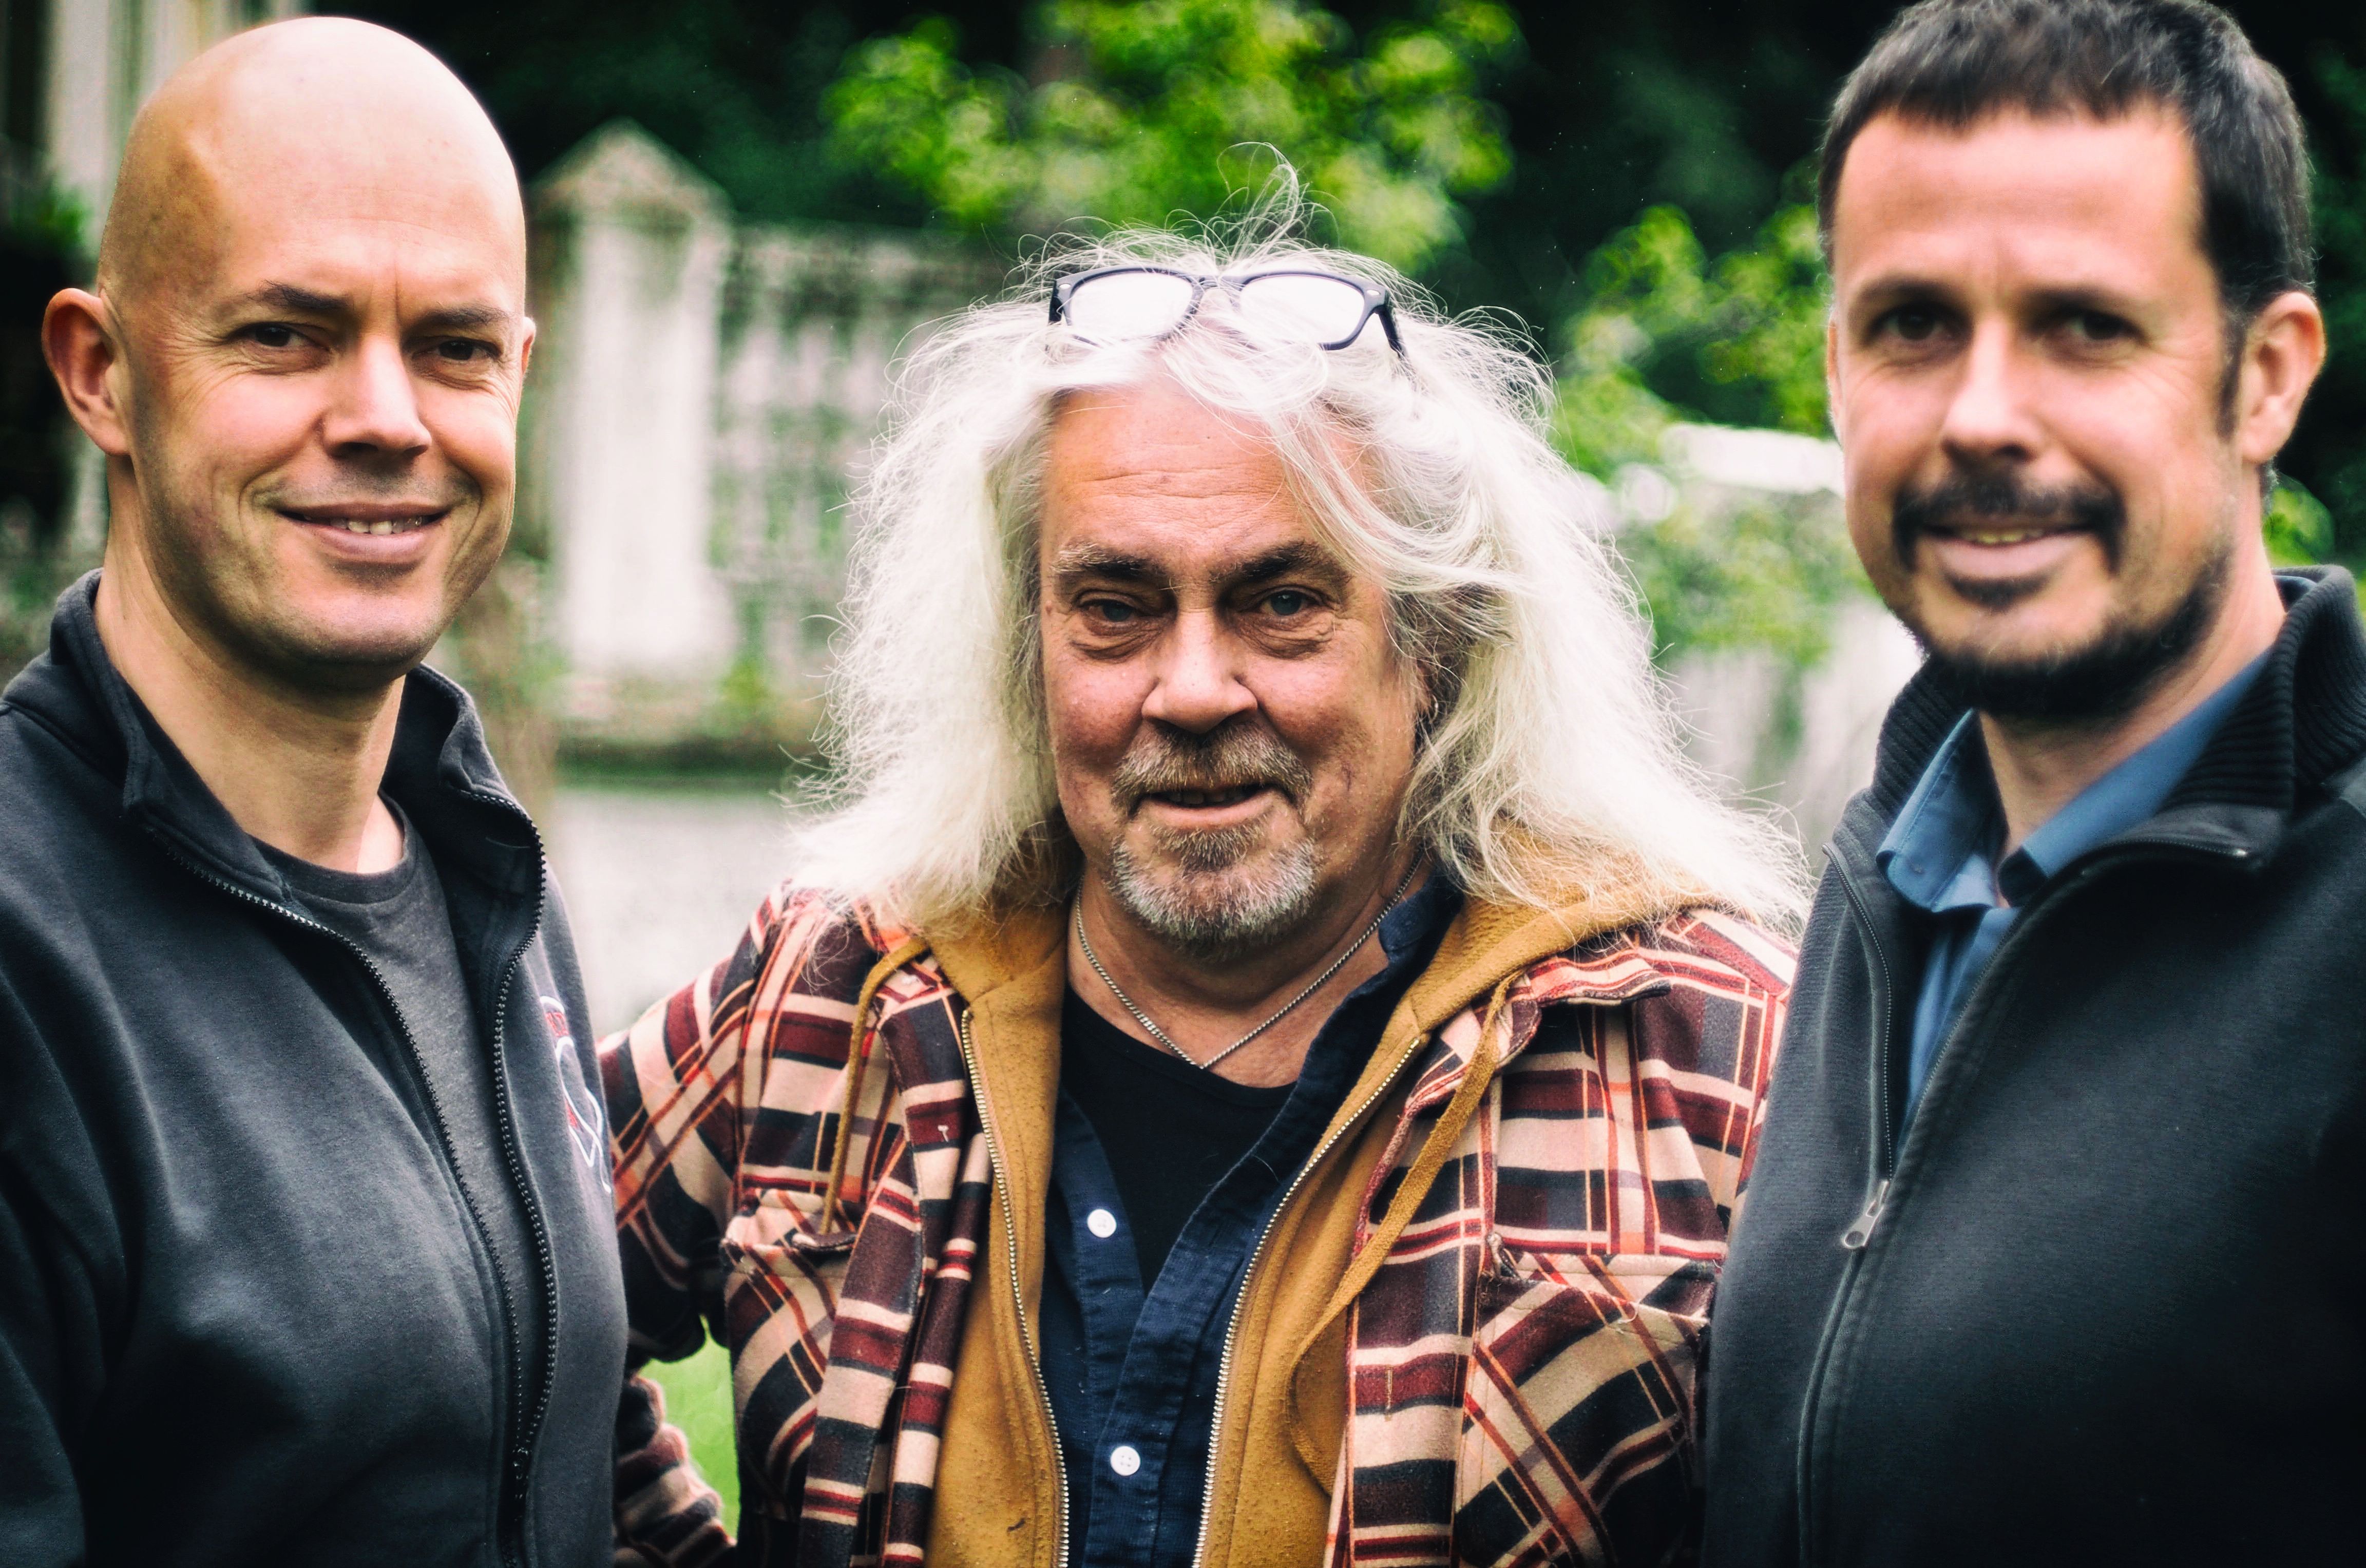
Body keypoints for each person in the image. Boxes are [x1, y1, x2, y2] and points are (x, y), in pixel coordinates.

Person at [602, 223, 1800, 1567]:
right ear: (1025, 647)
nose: (1190, 690)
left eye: (1280, 602)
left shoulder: (1711, 1058)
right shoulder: (832, 993)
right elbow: (483, 1312)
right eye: (1114, 607)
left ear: (1435, 642)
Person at [1701, 1, 2355, 1563]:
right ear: (1837, 370)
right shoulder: (1889, 871)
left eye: (2084, 326)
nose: (1983, 416)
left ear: (2266, 378)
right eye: (1912, 325)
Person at [0, 19, 624, 1565]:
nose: (388, 418)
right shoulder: (25, 954)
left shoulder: (480, 864)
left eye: (456, 347)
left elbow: (539, 1429)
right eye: (286, 334)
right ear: (102, 373)